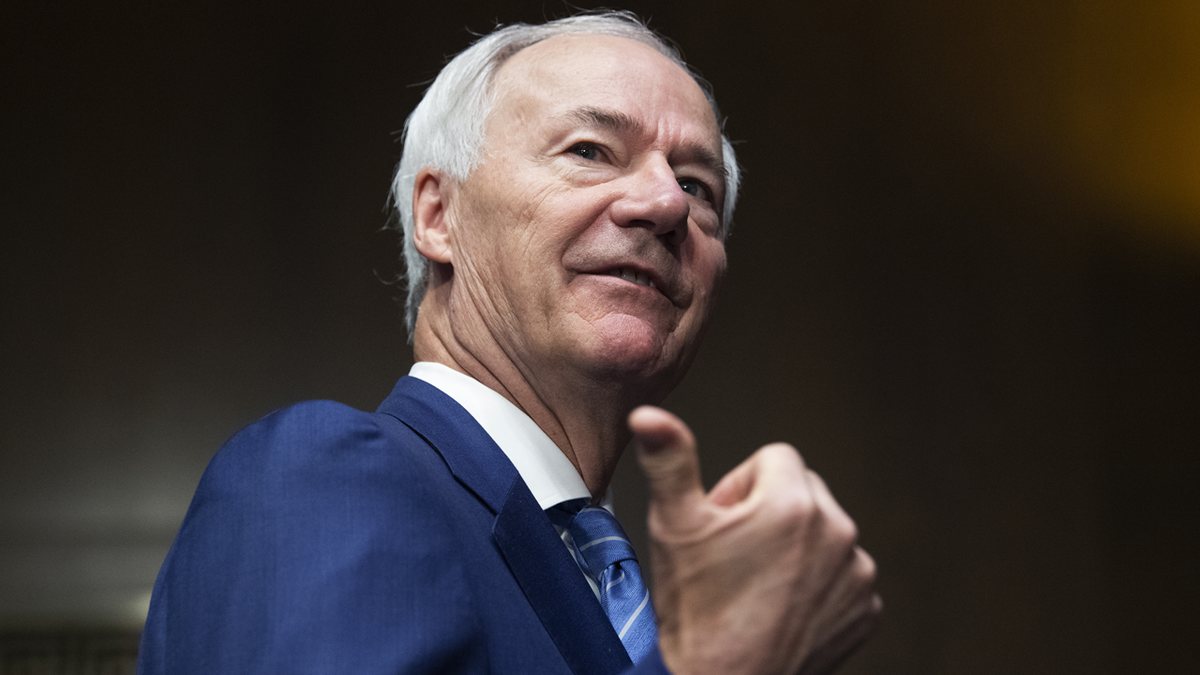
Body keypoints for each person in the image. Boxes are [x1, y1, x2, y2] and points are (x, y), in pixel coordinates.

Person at [137, 11, 881, 675]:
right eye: (590, 150)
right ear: (438, 214)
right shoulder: (320, 477)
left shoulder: (608, 591)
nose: (663, 204)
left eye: (698, 187)